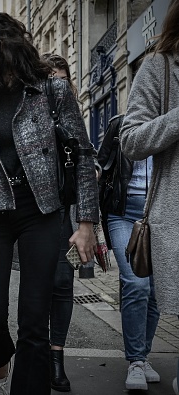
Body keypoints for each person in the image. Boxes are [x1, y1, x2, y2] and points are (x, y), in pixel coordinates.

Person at [0, 12, 99, 395]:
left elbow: (82, 154)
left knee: (34, 321)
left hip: (40, 211)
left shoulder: (51, 90)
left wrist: (85, 224)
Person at [120, 1, 179, 391]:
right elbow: (130, 139)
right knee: (139, 286)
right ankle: (137, 359)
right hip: (147, 211)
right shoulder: (160, 67)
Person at [98, 114, 160, 391]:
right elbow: (101, 165)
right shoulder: (120, 124)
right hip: (122, 214)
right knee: (136, 283)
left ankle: (143, 356)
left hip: (160, 217)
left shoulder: (170, 125)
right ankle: (135, 360)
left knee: (155, 292)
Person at [42, 52, 79, 392]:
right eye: (50, 77)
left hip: (66, 213)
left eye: (61, 78)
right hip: (36, 214)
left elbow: (84, 167)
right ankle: (37, 352)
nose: (56, 84)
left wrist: (88, 224)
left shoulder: (74, 116)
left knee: (63, 283)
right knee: (39, 285)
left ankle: (57, 358)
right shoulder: (31, 115)